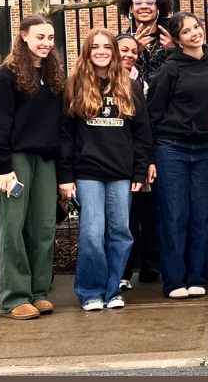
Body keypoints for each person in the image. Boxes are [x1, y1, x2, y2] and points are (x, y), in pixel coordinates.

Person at [59, 29, 152, 311]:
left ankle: (112, 290)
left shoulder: (131, 86)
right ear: (87, 51)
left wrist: (139, 171)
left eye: (106, 47)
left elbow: (142, 134)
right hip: (87, 171)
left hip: (121, 172)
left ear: (114, 51)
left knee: (121, 232)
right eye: (95, 47)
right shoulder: (73, 85)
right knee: (91, 232)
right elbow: (64, 135)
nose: (101, 51)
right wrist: (65, 176)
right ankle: (90, 291)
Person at [146, 12, 208, 300]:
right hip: (171, 149)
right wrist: (149, 157)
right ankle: (174, 281)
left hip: (206, 150)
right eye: (186, 32)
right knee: (173, 215)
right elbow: (152, 114)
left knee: (204, 216)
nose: (194, 33)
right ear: (177, 39)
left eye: (196, 27)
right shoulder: (169, 70)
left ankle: (199, 277)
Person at [0, 15, 65, 320]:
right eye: (40, 37)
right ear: (24, 37)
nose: (45, 43)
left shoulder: (55, 74)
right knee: (11, 228)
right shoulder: (7, 75)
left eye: (50, 37)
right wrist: (3, 167)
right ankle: (14, 296)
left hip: (45, 159)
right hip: (13, 160)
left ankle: (38, 292)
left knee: (43, 227)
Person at [117, 34, 159, 291]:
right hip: (114, 160)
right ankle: (122, 271)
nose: (129, 55)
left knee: (144, 217)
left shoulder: (140, 82)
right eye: (124, 50)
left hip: (139, 158)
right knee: (124, 220)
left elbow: (145, 126)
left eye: (134, 51)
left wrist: (148, 160)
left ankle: (147, 264)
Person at [116, 0, 175, 84]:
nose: (144, 6)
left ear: (158, 8)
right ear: (131, 9)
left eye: (150, 3)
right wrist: (134, 53)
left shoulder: (173, 38)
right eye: (138, 3)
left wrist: (173, 51)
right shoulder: (121, 42)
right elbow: (115, 74)